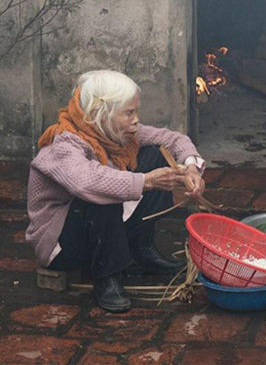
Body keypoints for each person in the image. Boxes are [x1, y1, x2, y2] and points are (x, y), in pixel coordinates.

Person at [25, 70, 206, 313]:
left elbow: (173, 139)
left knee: (156, 154)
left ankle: (141, 249)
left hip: (96, 228)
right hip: (63, 245)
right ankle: (107, 275)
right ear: (102, 114)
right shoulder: (65, 143)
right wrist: (147, 181)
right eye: (129, 113)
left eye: (136, 112)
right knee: (103, 190)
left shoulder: (112, 131)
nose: (135, 120)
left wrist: (191, 167)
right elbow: (87, 182)